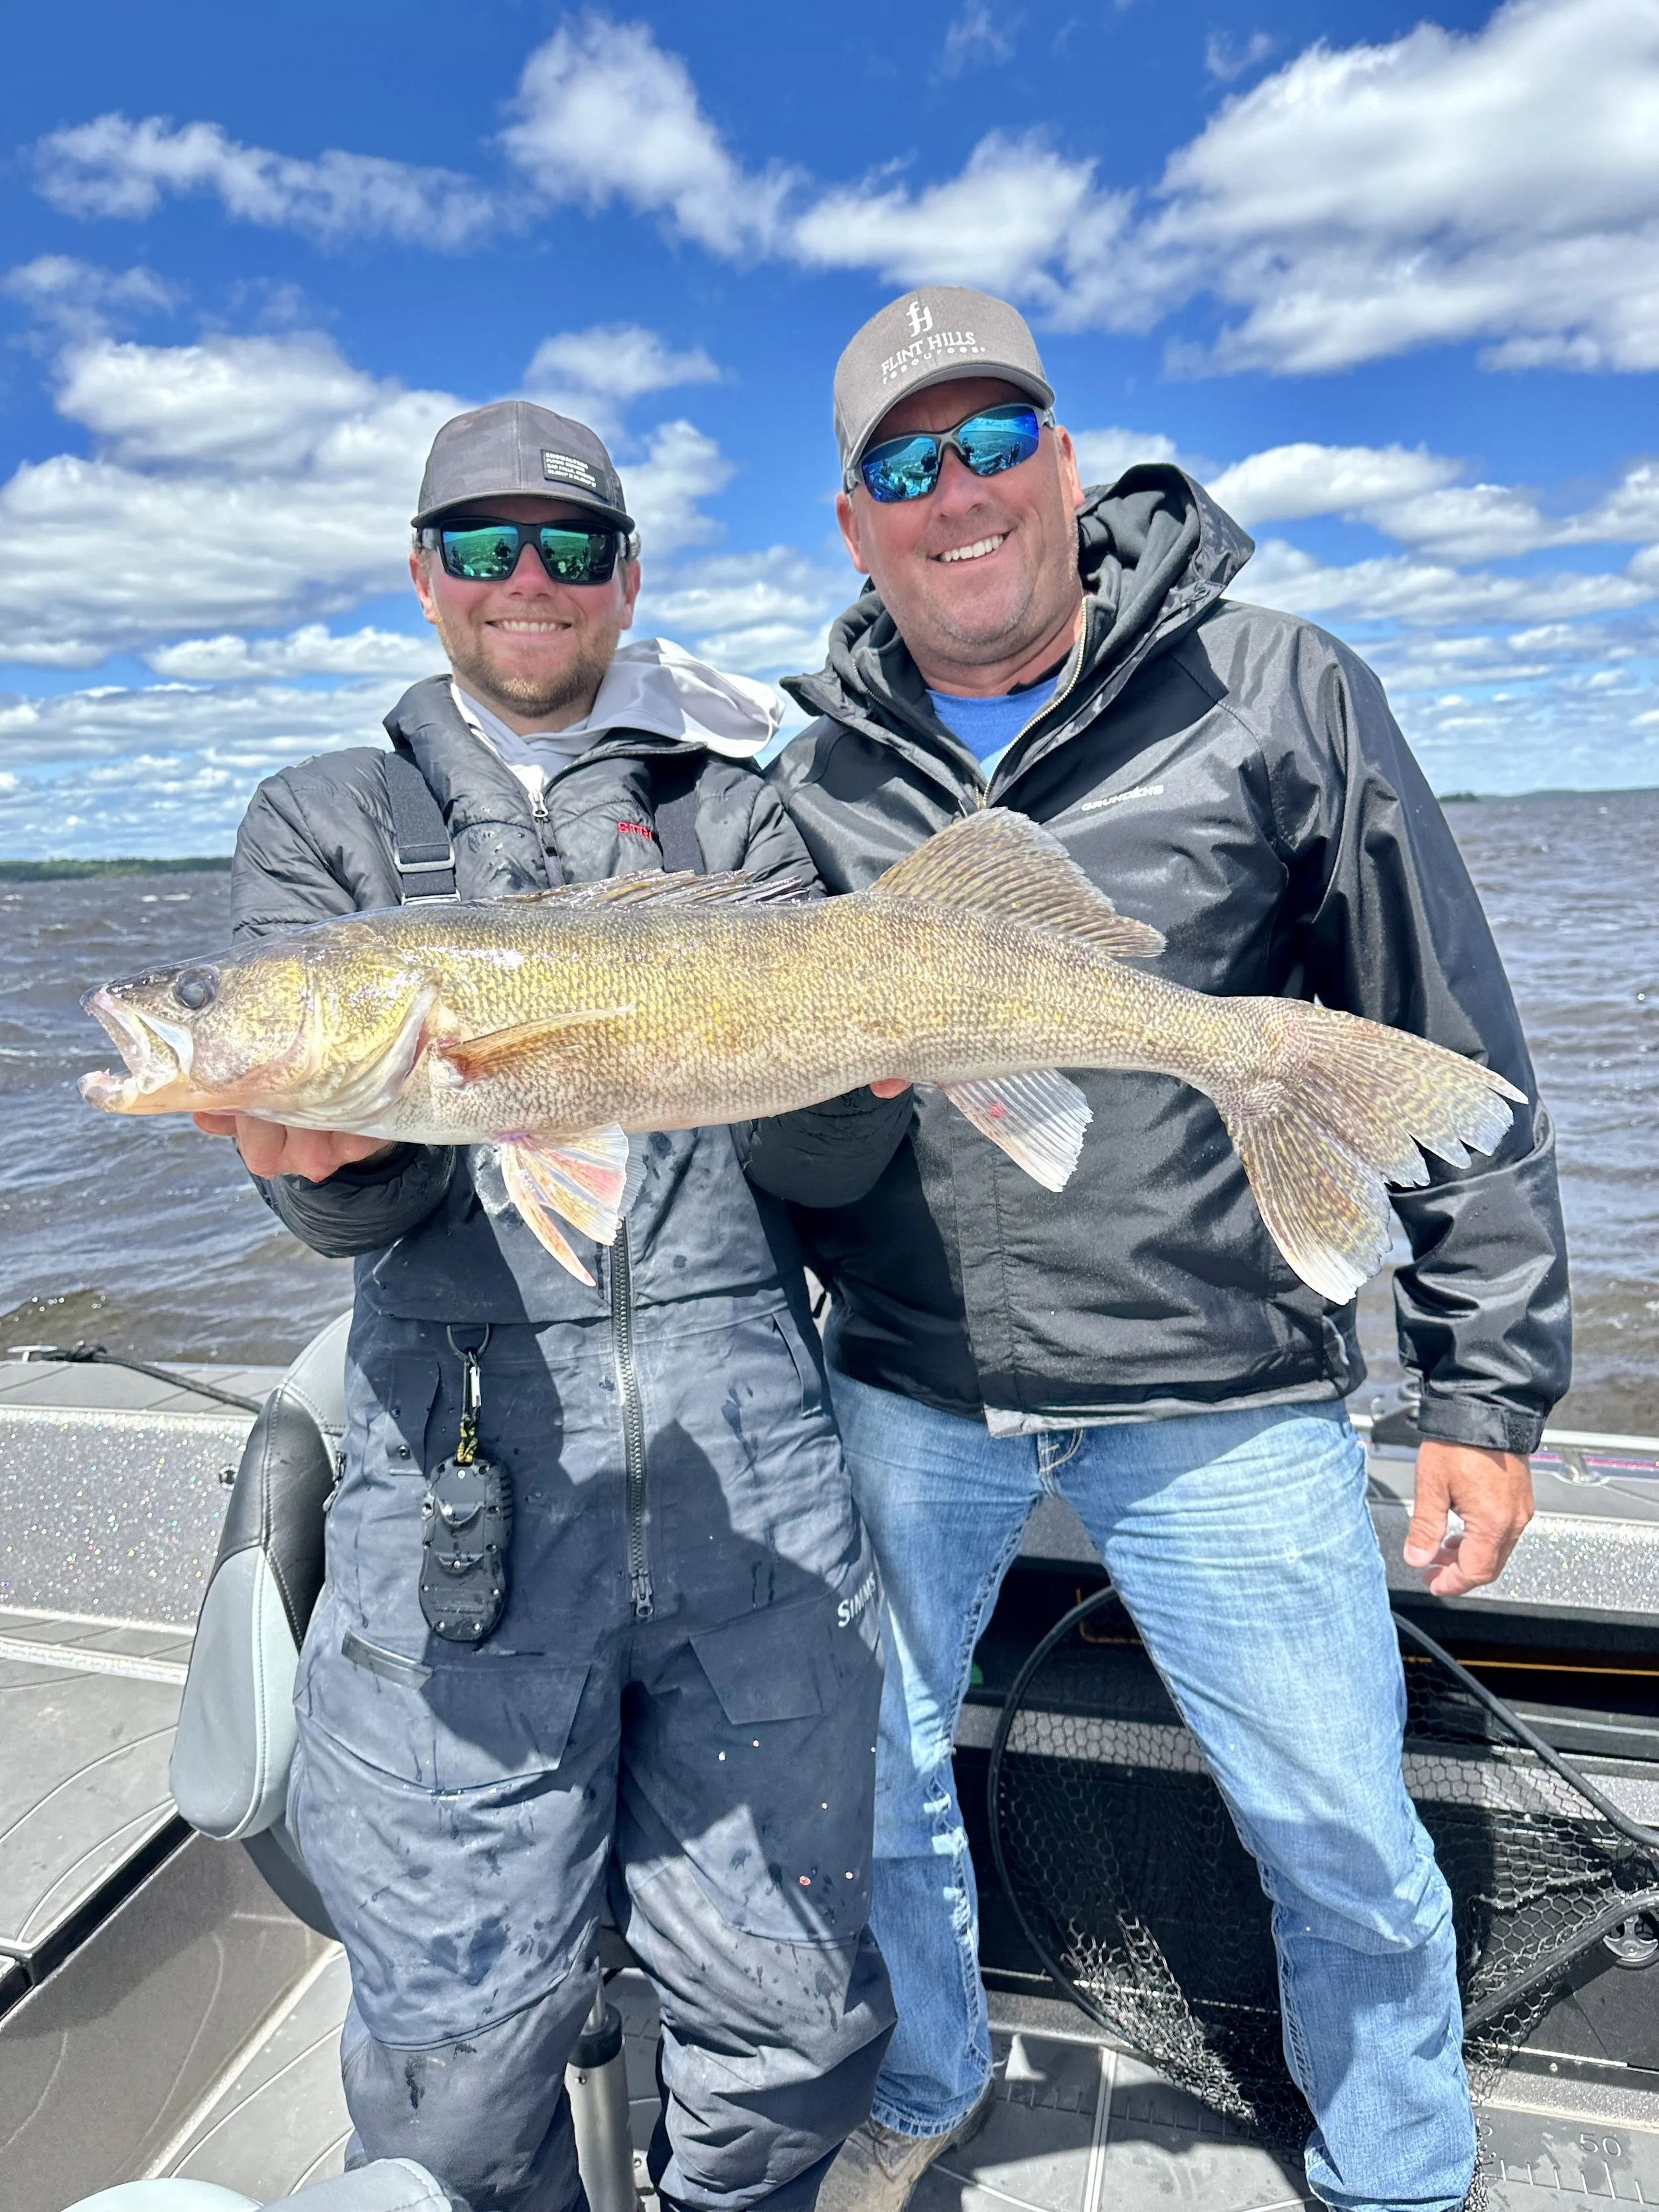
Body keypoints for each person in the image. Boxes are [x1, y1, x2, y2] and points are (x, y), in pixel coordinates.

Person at [762, 289, 1571, 2212]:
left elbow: (1446, 1032)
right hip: (908, 1381)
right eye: (901, 466)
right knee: (867, 1784)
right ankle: (936, 2071)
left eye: (986, 442)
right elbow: (789, 1160)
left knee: (1333, 1823)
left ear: (1062, 461)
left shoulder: (1276, 685)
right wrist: (846, 1077)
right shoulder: (810, 787)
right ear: (855, 522)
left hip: (1223, 1385)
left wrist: (1483, 1382)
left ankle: (1395, 2166)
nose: (951, 492)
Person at [193, 400, 900, 2212]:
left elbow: (827, 1184)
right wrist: (318, 1152)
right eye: (486, 543)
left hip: (752, 1494)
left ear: (626, 578)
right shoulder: (322, 824)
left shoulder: (740, 807)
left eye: (571, 546)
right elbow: (356, 1210)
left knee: (795, 2015)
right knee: (454, 2056)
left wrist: (853, 1077)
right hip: (464, 1518)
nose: (529, 579)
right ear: (426, 575)